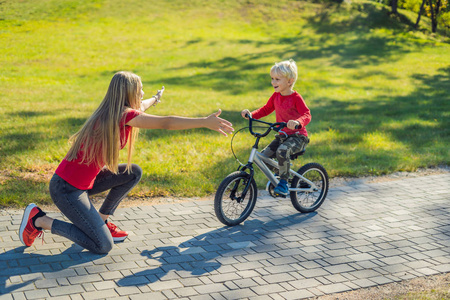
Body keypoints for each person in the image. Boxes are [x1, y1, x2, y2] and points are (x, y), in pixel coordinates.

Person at [19, 71, 234, 254]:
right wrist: (204, 122)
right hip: (66, 189)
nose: (141, 94)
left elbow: (142, 107)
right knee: (102, 245)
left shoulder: (113, 111)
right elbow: (166, 122)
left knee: (133, 172)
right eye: (139, 90)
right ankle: (39, 220)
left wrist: (155, 99)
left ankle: (101, 219)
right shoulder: (122, 115)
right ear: (129, 93)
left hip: (83, 184)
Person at [241, 59, 311, 197]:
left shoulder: (296, 98)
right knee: (263, 158)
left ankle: (284, 184)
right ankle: (287, 175)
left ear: (289, 81)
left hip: (298, 136)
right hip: (283, 135)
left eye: (277, 79)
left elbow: (307, 114)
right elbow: (266, 109)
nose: (273, 82)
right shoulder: (276, 97)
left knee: (282, 151)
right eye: (272, 79)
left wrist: (297, 122)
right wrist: (251, 115)